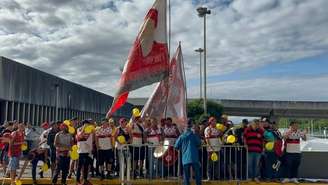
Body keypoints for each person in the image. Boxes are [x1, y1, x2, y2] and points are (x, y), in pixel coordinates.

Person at [175, 119, 202, 185]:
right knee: (197, 174)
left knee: (186, 176)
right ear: (192, 125)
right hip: (194, 158)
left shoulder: (182, 136)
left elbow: (176, 146)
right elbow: (199, 143)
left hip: (185, 158)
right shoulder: (194, 135)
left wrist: (182, 149)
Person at [76, 120, 95, 185]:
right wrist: (84, 129)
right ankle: (77, 180)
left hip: (87, 150)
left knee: (86, 166)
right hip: (81, 150)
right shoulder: (79, 129)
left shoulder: (90, 130)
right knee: (79, 166)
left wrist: (91, 148)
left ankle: (85, 180)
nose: (87, 125)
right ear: (83, 124)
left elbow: (92, 139)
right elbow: (80, 136)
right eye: (86, 124)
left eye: (88, 124)